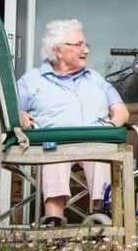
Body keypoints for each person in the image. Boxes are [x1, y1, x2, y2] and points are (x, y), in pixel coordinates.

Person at [17, 19, 129, 227]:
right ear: (57, 50)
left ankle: (104, 216)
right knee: (53, 154)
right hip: (53, 143)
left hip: (94, 142)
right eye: (78, 45)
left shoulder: (95, 78)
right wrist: (20, 116)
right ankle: (54, 219)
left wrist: (111, 127)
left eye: (86, 45)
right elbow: (12, 109)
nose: (85, 50)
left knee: (101, 156)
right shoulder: (31, 81)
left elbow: (121, 110)